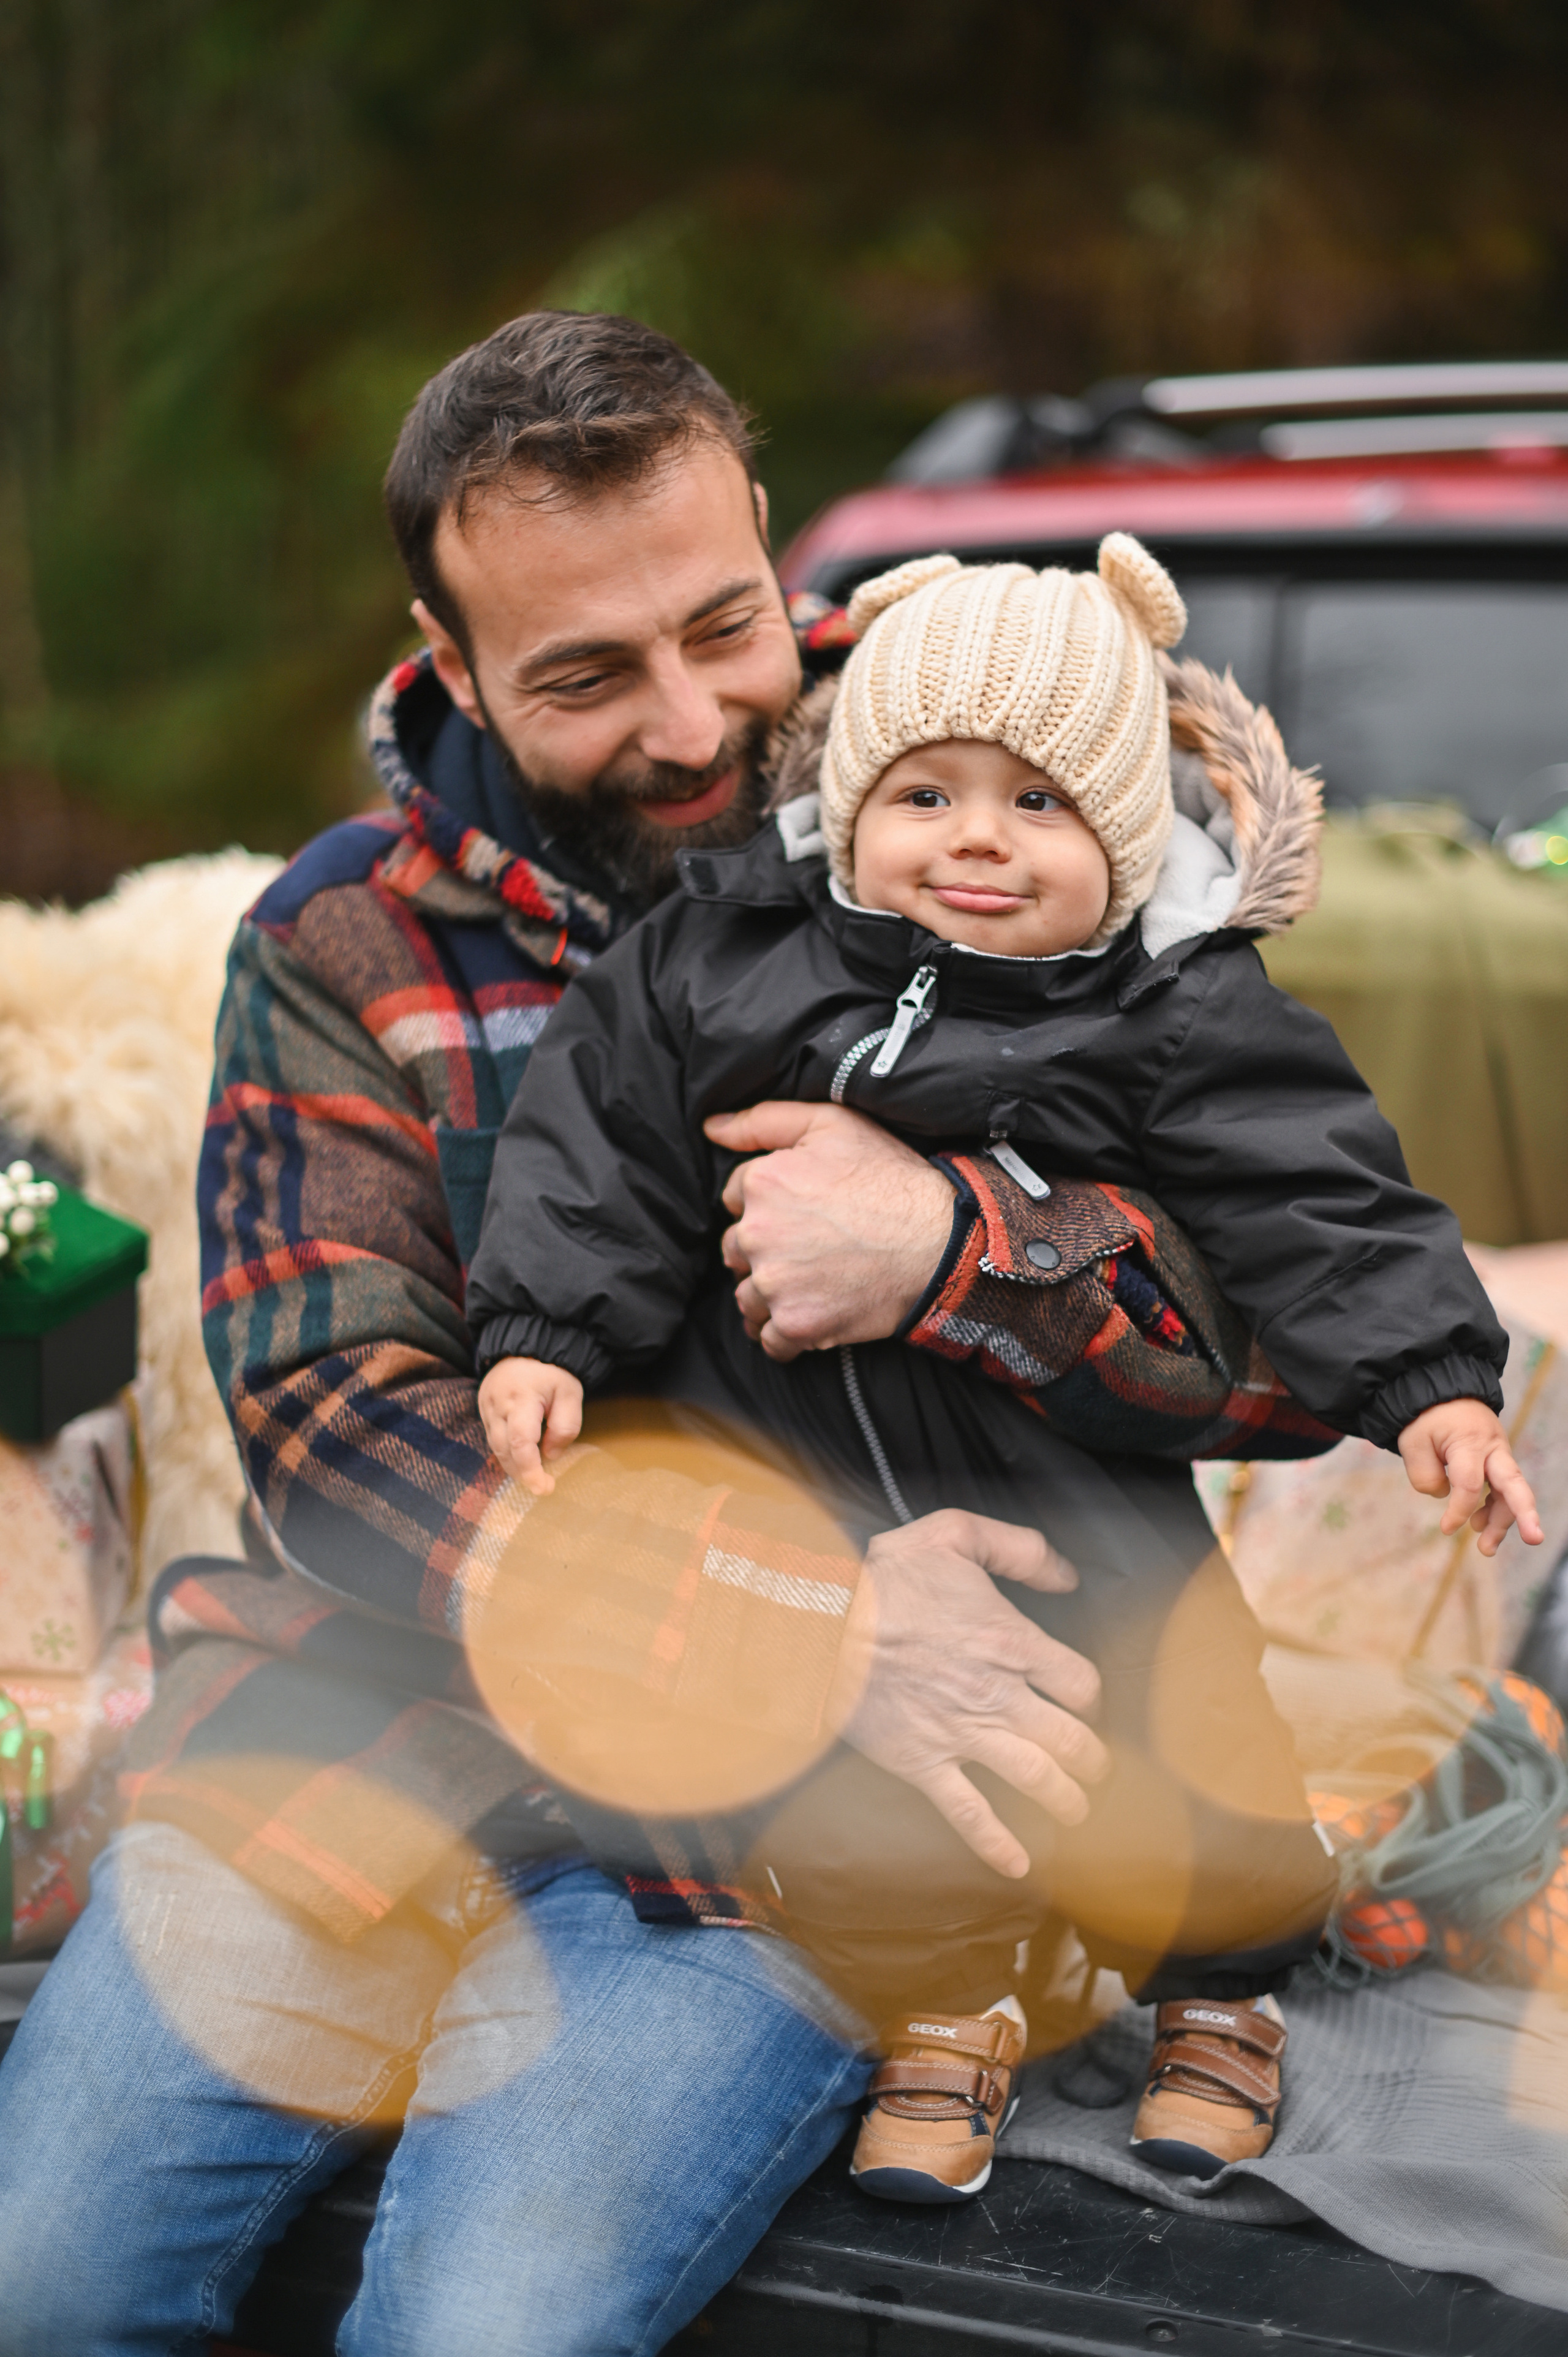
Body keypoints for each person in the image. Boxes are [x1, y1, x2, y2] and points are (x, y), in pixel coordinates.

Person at [0, 312, 1260, 2356]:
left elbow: (1269, 1323)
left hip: (781, 1849)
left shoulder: (1006, 835)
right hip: (374, 1736)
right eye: (586, 675)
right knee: (37, 2279)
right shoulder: (345, 943)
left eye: (724, 626)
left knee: (478, 2335)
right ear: (453, 645)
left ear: (769, 536)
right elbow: (333, 1421)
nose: (688, 725)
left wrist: (949, 1238)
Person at [468, 536, 1542, 2196]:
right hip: (825, 1504)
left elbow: (1315, 1191)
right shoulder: (716, 962)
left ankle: (1224, 2007)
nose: (978, 835)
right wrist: (545, 1331)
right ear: (852, 804)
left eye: (1041, 803)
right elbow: (596, 1147)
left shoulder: (1165, 1014)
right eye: (930, 792)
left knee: (1204, 1770)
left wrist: (1435, 1382)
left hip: (1076, 1495)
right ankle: (950, 2018)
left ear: (1118, 843)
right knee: (895, 1812)